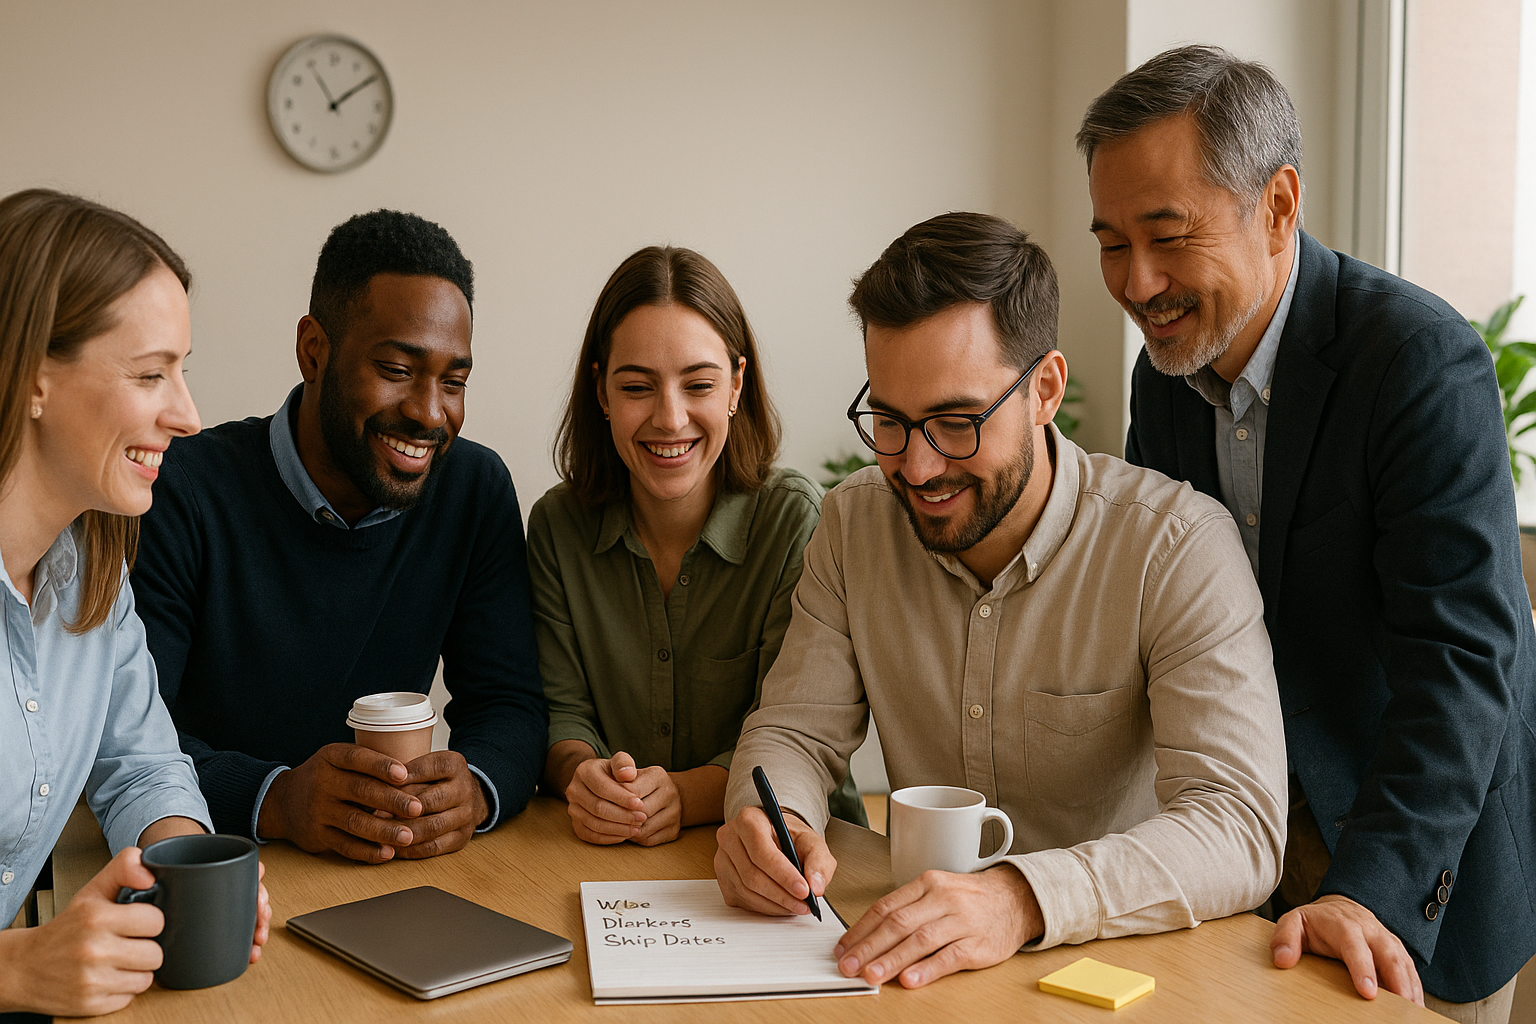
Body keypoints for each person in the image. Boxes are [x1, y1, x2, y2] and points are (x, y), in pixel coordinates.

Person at [714, 211, 1288, 989]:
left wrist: (1019, 899)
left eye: (956, 422)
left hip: (1122, 978)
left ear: (1044, 390)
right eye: (889, 420)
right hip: (917, 979)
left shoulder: (1176, 548)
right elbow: (794, 730)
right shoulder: (852, 524)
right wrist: (767, 822)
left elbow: (1238, 826)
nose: (916, 467)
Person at [1080, 44, 1536, 1022]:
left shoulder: (1418, 360)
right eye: (1111, 241)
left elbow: (1461, 660)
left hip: (1412, 867)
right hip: (1249, 857)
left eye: (1167, 234)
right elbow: (1160, 615)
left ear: (1279, 205)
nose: (1137, 279)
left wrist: (1366, 889)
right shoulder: (1162, 381)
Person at [130, 210, 548, 864]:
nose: (430, 412)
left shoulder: (473, 488)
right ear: (313, 350)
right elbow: (130, 739)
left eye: (454, 381)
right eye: (397, 368)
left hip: (394, 876)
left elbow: (511, 704)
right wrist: (277, 798)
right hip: (220, 863)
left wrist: (477, 789)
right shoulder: (179, 490)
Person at [0, 189, 269, 1018]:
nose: (187, 414)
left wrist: (189, 869)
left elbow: (139, 764)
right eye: (152, 373)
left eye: (181, 371)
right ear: (34, 377)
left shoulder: (92, 575)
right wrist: (14, 971)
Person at [532, 246, 864, 846]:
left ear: (737, 385)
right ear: (601, 392)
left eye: (699, 384)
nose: (670, 417)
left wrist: (686, 795)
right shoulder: (558, 525)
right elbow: (561, 709)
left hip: (796, 854)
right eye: (637, 387)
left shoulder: (794, 521)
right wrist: (584, 774)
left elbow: (793, 731)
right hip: (610, 862)